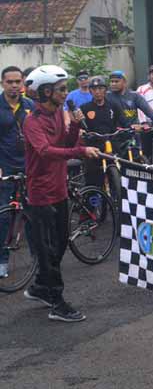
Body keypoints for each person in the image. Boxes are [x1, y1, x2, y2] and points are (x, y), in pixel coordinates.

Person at [23, 65, 100, 322]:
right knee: (47, 248)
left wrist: (76, 128)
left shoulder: (58, 113)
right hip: (40, 193)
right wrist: (80, 151)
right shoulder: (32, 121)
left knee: (62, 241)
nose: (66, 94)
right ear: (46, 92)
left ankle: (40, 287)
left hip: (59, 188)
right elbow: (45, 151)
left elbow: (65, 144)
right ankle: (57, 302)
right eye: (61, 89)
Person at [0, 66, 35, 278]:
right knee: (4, 215)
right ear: (3, 83)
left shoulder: (30, 105)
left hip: (29, 168)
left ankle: (37, 259)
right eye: (9, 82)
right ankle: (2, 260)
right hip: (6, 168)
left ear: (22, 83)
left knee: (32, 215)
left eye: (17, 81)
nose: (14, 85)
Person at [80, 77, 128, 188]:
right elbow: (79, 126)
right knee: (93, 178)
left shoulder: (113, 106)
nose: (97, 92)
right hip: (94, 146)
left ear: (105, 90)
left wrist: (130, 128)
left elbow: (124, 122)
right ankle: (92, 199)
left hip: (112, 144)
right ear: (90, 91)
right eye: (94, 89)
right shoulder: (85, 108)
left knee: (119, 172)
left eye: (100, 88)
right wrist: (80, 131)